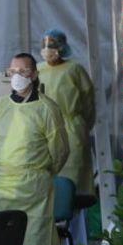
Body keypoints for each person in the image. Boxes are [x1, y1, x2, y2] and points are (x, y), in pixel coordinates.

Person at [0, 53, 69, 245]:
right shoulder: (1, 106)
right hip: (1, 185)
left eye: (23, 71)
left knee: (35, 239)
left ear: (33, 74)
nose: (17, 75)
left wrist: (40, 172)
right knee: (0, 239)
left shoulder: (47, 108)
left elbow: (60, 151)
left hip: (33, 188)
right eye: (13, 71)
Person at [37, 29, 96, 196]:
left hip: (72, 129)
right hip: (46, 128)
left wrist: (82, 125)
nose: (47, 49)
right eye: (45, 45)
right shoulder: (38, 69)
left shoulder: (74, 69)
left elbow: (88, 101)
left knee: (73, 178)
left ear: (61, 47)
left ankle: (76, 216)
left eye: (52, 45)